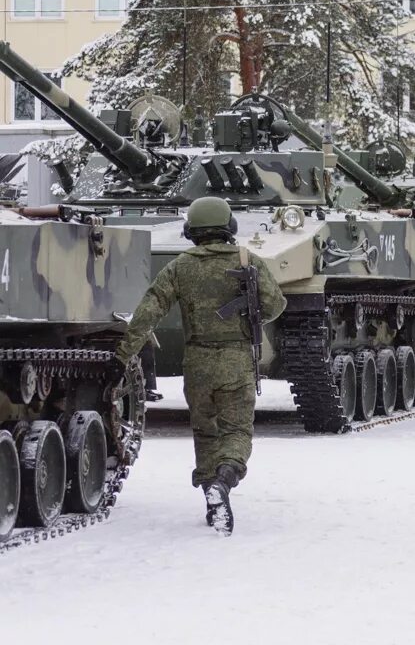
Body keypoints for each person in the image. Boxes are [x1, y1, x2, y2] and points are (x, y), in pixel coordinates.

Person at [110, 196, 286, 535]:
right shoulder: (248, 260)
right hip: (236, 360)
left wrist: (123, 353)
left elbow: (149, 310)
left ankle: (210, 493)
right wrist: (250, 314)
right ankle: (225, 479)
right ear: (229, 227)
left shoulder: (181, 265)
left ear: (191, 230)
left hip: (197, 362)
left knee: (205, 430)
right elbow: (276, 304)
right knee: (236, 431)